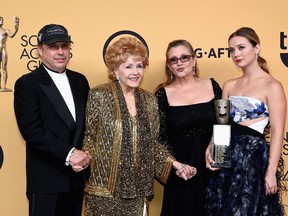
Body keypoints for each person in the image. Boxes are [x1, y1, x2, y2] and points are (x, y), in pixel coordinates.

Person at [83, 36, 197, 216]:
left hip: (138, 191)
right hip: (104, 191)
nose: (135, 72)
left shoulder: (149, 100)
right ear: (114, 70)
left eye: (139, 66)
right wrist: (84, 159)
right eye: (128, 66)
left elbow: (152, 144)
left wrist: (176, 165)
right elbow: (89, 137)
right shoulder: (99, 95)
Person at [205, 27, 286, 215]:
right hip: (225, 158)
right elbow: (221, 124)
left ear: (256, 48)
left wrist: (271, 172)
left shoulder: (272, 86)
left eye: (241, 47)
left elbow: (278, 132)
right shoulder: (229, 85)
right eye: (232, 50)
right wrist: (211, 148)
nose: (236, 54)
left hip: (251, 159)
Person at [14, 24, 91, 216]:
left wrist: (85, 157)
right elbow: (32, 131)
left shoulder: (80, 81)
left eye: (64, 46)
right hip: (46, 181)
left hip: (76, 179)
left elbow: (87, 126)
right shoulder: (27, 83)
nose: (60, 52)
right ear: (39, 50)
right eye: (53, 47)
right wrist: (70, 153)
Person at [154, 39, 222, 216]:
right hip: (181, 174)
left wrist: (220, 158)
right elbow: (159, 138)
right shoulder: (162, 94)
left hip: (213, 170)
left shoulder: (213, 86)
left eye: (184, 57)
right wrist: (176, 166)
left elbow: (225, 123)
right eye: (173, 60)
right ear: (169, 65)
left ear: (194, 59)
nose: (179, 63)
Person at [0, 16, 19, 91]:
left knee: (4, 68)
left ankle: (4, 86)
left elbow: (12, 35)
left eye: (2, 19)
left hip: (3, 51)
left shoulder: (6, 31)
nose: (1, 21)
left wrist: (16, 28)